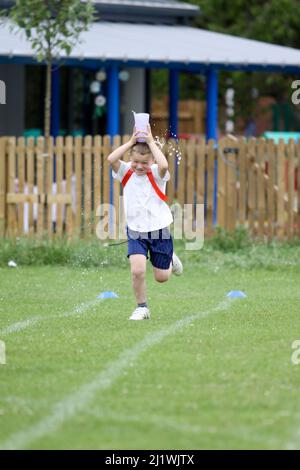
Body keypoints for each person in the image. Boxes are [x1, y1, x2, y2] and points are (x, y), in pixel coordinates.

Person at [107, 124, 183, 320]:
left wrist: (150, 141)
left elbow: (165, 165)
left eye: (144, 162)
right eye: (135, 162)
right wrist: (131, 142)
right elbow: (111, 159)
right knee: (138, 271)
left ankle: (171, 258)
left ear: (151, 160)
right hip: (136, 231)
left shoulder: (157, 173)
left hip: (159, 230)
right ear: (130, 159)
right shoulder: (126, 172)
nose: (139, 166)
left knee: (162, 278)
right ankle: (142, 307)